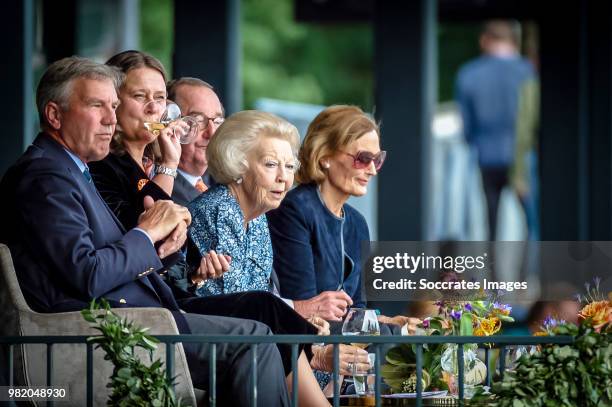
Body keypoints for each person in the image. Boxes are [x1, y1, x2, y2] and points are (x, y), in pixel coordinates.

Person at [0, 56, 318, 406]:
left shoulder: (73, 170)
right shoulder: (46, 175)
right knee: (253, 338)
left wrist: (159, 249)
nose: (110, 118)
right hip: (104, 332)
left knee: (258, 327)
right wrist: (147, 235)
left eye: (114, 105)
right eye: (96, 105)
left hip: (137, 317)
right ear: (55, 115)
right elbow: (87, 273)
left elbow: (107, 257)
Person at [267, 105, 419, 331]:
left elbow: (357, 310)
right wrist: (389, 330)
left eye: (377, 160)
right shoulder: (294, 209)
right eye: (363, 158)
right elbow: (305, 311)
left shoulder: (358, 223)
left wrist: (389, 322)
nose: (372, 170)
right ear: (325, 156)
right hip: (307, 348)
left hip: (342, 348)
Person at [455, 20, 537, 241]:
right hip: (523, 155)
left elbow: (467, 125)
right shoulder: (527, 71)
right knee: (531, 222)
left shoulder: (468, 74)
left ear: (485, 41)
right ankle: (526, 271)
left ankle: (494, 273)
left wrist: (473, 141)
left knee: (491, 221)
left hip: (486, 154)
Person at [89, 50, 184, 231]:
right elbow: (147, 232)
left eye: (159, 97)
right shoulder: (100, 165)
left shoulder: (149, 162)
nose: (154, 108)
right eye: (140, 96)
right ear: (112, 102)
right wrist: (169, 165)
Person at [167, 77, 224, 206]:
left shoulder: (224, 182)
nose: (212, 133)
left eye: (217, 122)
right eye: (198, 120)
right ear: (169, 121)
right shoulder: (159, 187)